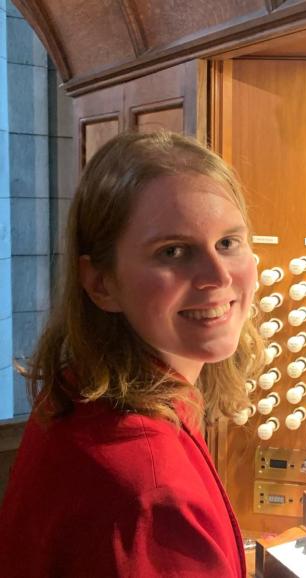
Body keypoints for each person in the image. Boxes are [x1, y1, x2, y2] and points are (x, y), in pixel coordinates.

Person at [0, 131, 263, 577]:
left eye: (228, 243)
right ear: (102, 283)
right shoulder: (154, 494)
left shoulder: (79, 385)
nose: (218, 277)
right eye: (174, 251)